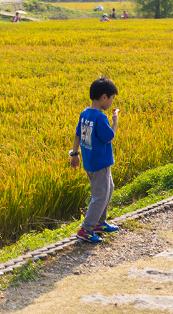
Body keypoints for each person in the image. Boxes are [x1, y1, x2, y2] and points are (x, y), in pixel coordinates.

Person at [69, 77, 121, 243]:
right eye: (112, 98)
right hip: (100, 163)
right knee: (100, 196)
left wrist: (74, 154)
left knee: (108, 188)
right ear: (104, 97)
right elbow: (109, 137)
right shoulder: (100, 117)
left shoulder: (85, 113)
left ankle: (99, 222)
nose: (112, 102)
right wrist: (115, 121)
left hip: (90, 162)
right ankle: (86, 229)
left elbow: (78, 134)